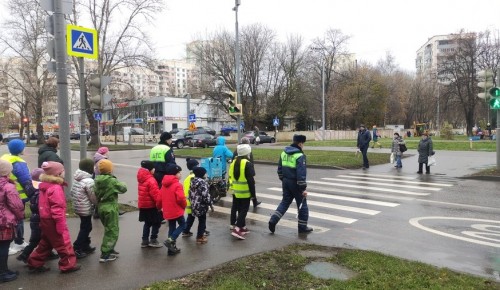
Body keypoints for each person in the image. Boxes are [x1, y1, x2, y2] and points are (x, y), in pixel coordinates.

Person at [27, 161, 81, 274]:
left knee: (46, 242)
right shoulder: (56, 188)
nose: (64, 173)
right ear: (58, 174)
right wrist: (60, 224)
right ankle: (68, 265)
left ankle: (34, 262)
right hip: (53, 220)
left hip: (45, 219)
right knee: (63, 243)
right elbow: (57, 208)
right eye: (63, 171)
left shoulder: (45, 186)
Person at [268, 135, 312, 234]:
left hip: (286, 182)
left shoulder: (284, 153)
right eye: (303, 144)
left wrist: (283, 179)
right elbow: (301, 174)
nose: (303, 146)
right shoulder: (300, 156)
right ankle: (302, 227)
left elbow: (279, 169)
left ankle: (273, 220)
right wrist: (303, 188)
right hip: (296, 183)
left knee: (285, 202)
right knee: (302, 205)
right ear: (300, 143)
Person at [0, 139, 36, 255]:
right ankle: (18, 242)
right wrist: (32, 194)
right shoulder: (18, 162)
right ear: (20, 149)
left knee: (6, 218)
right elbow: (26, 181)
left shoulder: (5, 158)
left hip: (4, 195)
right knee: (17, 219)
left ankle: (14, 242)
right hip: (16, 196)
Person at [16, 169, 58, 263]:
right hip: (39, 219)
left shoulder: (33, 189)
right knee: (36, 239)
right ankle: (25, 255)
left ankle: (48, 253)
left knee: (44, 237)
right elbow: (42, 206)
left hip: (35, 218)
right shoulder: (39, 192)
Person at [94, 159, 128, 262]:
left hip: (101, 207)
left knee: (108, 229)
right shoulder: (112, 181)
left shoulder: (97, 180)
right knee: (112, 231)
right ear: (110, 170)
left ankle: (110, 248)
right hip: (110, 208)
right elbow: (123, 188)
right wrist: (121, 182)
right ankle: (105, 254)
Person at [0, 159, 24, 282]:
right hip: (4, 222)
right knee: (4, 246)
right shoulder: (8, 186)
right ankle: (2, 273)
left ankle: (4, 269)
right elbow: (16, 205)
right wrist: (20, 216)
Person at [70, 159, 97, 259]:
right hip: (85, 207)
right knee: (86, 227)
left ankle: (85, 245)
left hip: (78, 206)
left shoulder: (77, 178)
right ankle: (77, 247)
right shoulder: (89, 181)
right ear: (89, 168)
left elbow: (72, 192)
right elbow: (93, 196)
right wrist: (97, 203)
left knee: (85, 226)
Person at [157, 164, 186, 255]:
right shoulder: (177, 185)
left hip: (168, 211)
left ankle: (171, 250)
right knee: (183, 225)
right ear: (174, 174)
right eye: (179, 173)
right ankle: (171, 240)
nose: (180, 174)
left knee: (172, 227)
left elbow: (159, 198)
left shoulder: (163, 184)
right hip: (177, 210)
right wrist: (184, 205)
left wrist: (158, 207)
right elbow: (181, 198)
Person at [228, 144, 256, 240]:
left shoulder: (233, 162)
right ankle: (237, 229)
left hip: (236, 191)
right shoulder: (247, 163)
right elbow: (251, 181)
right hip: (245, 191)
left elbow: (230, 178)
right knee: (244, 210)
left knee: (239, 209)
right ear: (247, 153)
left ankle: (242, 227)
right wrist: (253, 195)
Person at [137, 160, 163, 248]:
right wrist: (160, 206)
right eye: (153, 168)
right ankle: (153, 239)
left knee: (147, 223)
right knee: (156, 222)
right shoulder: (151, 180)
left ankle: (144, 241)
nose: (154, 170)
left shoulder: (141, 178)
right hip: (152, 206)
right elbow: (156, 195)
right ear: (150, 170)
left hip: (143, 205)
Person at [182, 158, 210, 237]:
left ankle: (186, 231)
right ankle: (202, 231)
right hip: (196, 201)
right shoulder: (197, 177)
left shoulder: (188, 177)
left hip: (188, 201)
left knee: (190, 217)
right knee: (201, 218)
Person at [232, 137, 260, 208]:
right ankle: (254, 201)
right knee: (251, 185)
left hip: (236, 171)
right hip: (246, 171)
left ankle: (253, 201)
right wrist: (253, 172)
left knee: (239, 186)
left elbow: (233, 159)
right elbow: (251, 162)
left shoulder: (237, 149)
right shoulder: (247, 150)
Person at [189, 167, 212, 244]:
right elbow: (205, 195)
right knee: (202, 221)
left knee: (200, 220)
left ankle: (200, 235)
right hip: (201, 205)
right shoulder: (203, 183)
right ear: (202, 174)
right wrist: (209, 203)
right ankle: (199, 237)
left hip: (194, 204)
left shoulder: (192, 181)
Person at [92, 146, 109, 219]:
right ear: (104, 152)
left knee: (99, 196)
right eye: (107, 151)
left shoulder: (98, 159)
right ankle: (98, 212)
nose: (109, 153)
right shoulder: (102, 161)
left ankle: (97, 212)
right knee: (102, 196)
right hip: (101, 180)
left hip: (97, 179)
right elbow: (102, 171)